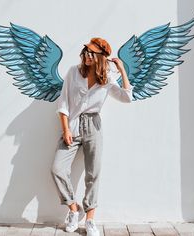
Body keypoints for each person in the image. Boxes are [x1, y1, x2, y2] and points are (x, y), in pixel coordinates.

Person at [51, 37, 133, 236]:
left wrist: (122, 70)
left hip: (94, 126)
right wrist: (66, 130)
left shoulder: (106, 79)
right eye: (86, 51)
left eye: (92, 53)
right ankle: (73, 209)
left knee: (93, 174)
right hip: (72, 125)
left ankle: (90, 220)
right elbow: (63, 103)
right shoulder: (73, 72)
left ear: (101, 58)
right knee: (57, 169)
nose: (87, 55)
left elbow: (127, 97)